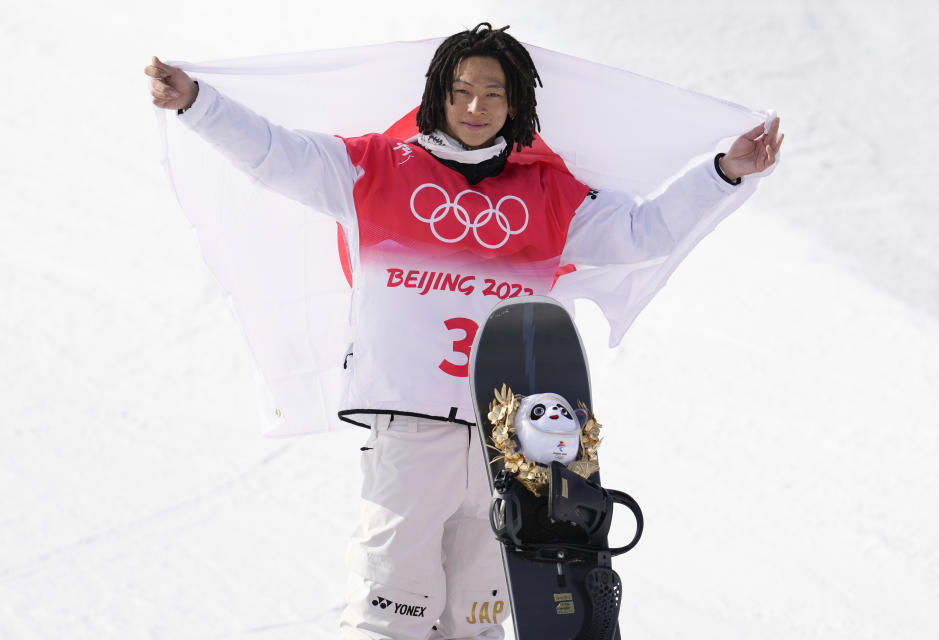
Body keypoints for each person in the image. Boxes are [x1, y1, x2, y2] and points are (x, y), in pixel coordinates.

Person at [145, 23, 782, 640]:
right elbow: (273, 152)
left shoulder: (548, 191)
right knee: (388, 610)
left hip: (511, 439)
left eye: (494, 93)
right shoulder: (372, 166)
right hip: (409, 425)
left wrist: (724, 169)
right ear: (438, 95)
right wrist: (198, 104)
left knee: (479, 619)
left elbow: (643, 231)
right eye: (461, 91)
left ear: (516, 104)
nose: (476, 106)